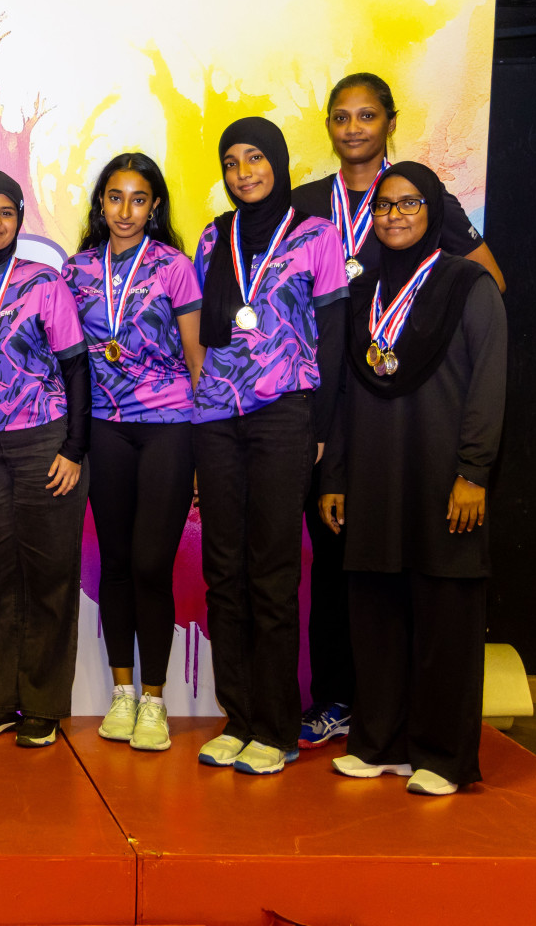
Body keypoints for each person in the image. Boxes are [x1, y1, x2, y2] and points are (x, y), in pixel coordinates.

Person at [291, 72, 506, 749]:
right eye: (341, 117)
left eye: (367, 116)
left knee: (422, 572)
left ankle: (417, 723)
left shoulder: (420, 195)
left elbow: (489, 281)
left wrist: (422, 344)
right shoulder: (305, 204)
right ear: (329, 127)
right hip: (340, 410)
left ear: (389, 122)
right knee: (339, 567)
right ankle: (341, 705)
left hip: (418, 409)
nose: (353, 128)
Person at [191, 117, 347, 775]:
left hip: (285, 416)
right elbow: (199, 328)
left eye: (255, 158)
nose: (244, 171)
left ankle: (279, 728)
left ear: (278, 163)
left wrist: (321, 432)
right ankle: (240, 717)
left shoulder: (316, 236)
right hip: (216, 418)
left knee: (273, 572)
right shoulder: (212, 236)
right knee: (223, 571)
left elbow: (335, 340)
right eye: (232, 162)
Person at [63, 154, 203, 753]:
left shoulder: (175, 267)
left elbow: (197, 357)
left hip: (170, 422)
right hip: (105, 426)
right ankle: (122, 695)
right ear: (101, 205)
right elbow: (65, 358)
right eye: (114, 198)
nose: (125, 211)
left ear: (154, 206)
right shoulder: (75, 271)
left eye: (138, 199)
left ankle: (155, 700)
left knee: (151, 562)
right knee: (116, 562)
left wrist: (206, 446)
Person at [0, 170, 89, 749]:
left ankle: (43, 705)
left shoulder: (43, 282)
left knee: (49, 575)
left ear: (19, 222)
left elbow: (78, 367)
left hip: (44, 441)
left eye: (6, 212)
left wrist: (74, 449)